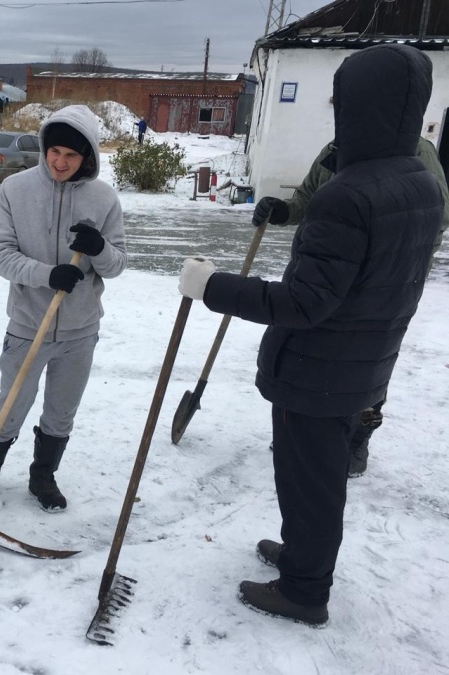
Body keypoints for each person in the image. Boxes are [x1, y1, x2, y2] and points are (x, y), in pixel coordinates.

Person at [177, 44, 442, 626]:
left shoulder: (347, 194)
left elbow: (302, 301)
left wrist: (210, 286)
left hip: (318, 370)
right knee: (315, 480)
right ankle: (302, 557)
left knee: (310, 484)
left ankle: (303, 590)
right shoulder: (418, 184)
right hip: (362, 362)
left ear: (359, 106)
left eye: (339, 99)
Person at [251, 134, 448, 478]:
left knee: (366, 362)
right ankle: (304, 430)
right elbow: (308, 197)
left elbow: (439, 211)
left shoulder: (415, 150)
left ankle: (358, 437)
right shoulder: (335, 148)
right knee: (309, 349)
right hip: (324, 270)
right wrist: (283, 211)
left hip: (385, 280)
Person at [0, 104, 127, 512]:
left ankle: (43, 476)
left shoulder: (103, 198)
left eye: (71, 155)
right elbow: (0, 254)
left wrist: (99, 248)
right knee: (10, 406)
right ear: (44, 148)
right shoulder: (15, 190)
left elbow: (118, 264)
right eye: (54, 151)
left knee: (61, 411)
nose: (60, 162)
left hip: (80, 330)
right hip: (27, 324)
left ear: (86, 157)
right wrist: (46, 274)